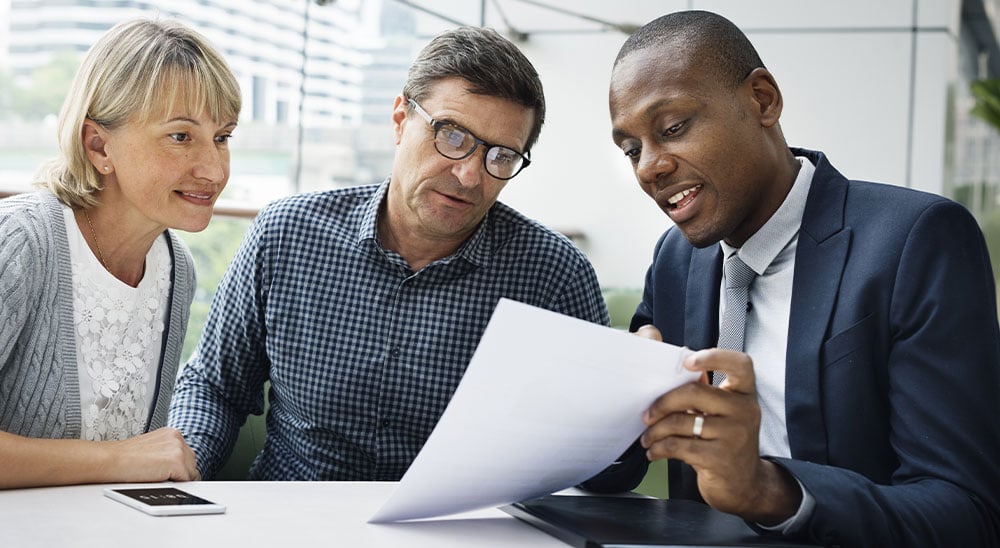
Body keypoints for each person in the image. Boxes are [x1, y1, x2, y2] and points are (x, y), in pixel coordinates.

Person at [590, 10, 1000, 548]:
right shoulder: (675, 260)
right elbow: (615, 471)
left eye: (672, 128)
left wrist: (770, 491)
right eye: (631, 150)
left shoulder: (916, 241)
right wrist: (606, 408)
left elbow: (968, 515)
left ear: (762, 100)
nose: (648, 168)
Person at [168, 26, 609, 481]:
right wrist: (181, 471)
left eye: (500, 157)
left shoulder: (554, 275)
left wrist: (629, 413)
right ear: (401, 119)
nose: (469, 176)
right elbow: (214, 388)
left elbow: (597, 459)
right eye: (452, 136)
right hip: (291, 519)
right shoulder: (286, 234)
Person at [0, 18, 241, 489]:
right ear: (98, 145)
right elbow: (130, 460)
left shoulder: (176, 269)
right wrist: (116, 461)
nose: (213, 169)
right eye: (180, 136)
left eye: (222, 137)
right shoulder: (21, 242)